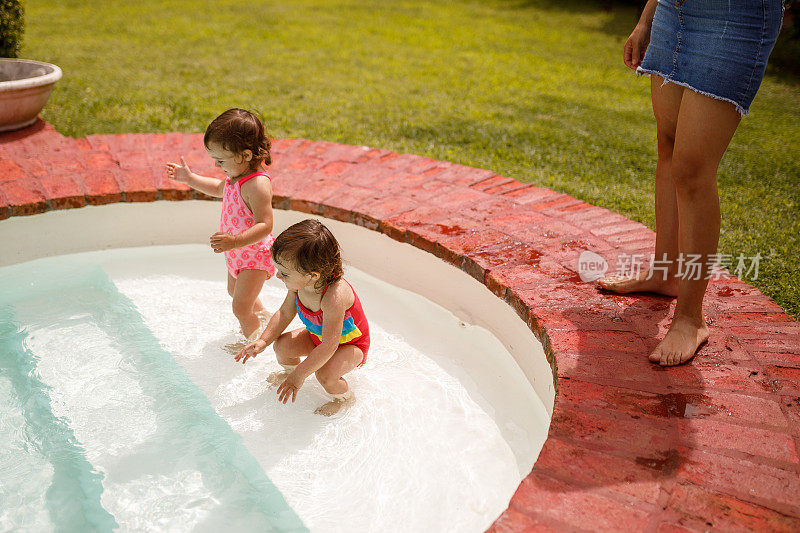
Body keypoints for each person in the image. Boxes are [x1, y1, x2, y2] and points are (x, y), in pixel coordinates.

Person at [598, 0, 784, 365]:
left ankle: (690, 318)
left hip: (735, 17)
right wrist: (646, 17)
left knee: (692, 168)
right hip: (673, 11)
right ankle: (665, 273)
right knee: (668, 146)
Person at [235, 219, 370, 416]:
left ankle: (345, 399)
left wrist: (300, 376)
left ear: (313, 275)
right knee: (282, 346)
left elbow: (329, 346)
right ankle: (289, 374)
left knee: (325, 375)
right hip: (320, 338)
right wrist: (263, 341)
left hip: (350, 346)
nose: (277, 276)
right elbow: (284, 313)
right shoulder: (299, 285)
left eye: (284, 273)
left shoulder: (334, 297)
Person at [166, 108, 276, 341]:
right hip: (237, 252)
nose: (217, 165)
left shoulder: (257, 185)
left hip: (254, 255)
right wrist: (189, 179)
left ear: (245, 155)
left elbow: (265, 225)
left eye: (220, 160)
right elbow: (219, 189)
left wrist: (234, 241)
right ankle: (265, 317)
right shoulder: (235, 177)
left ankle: (253, 342)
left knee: (240, 307)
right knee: (234, 293)